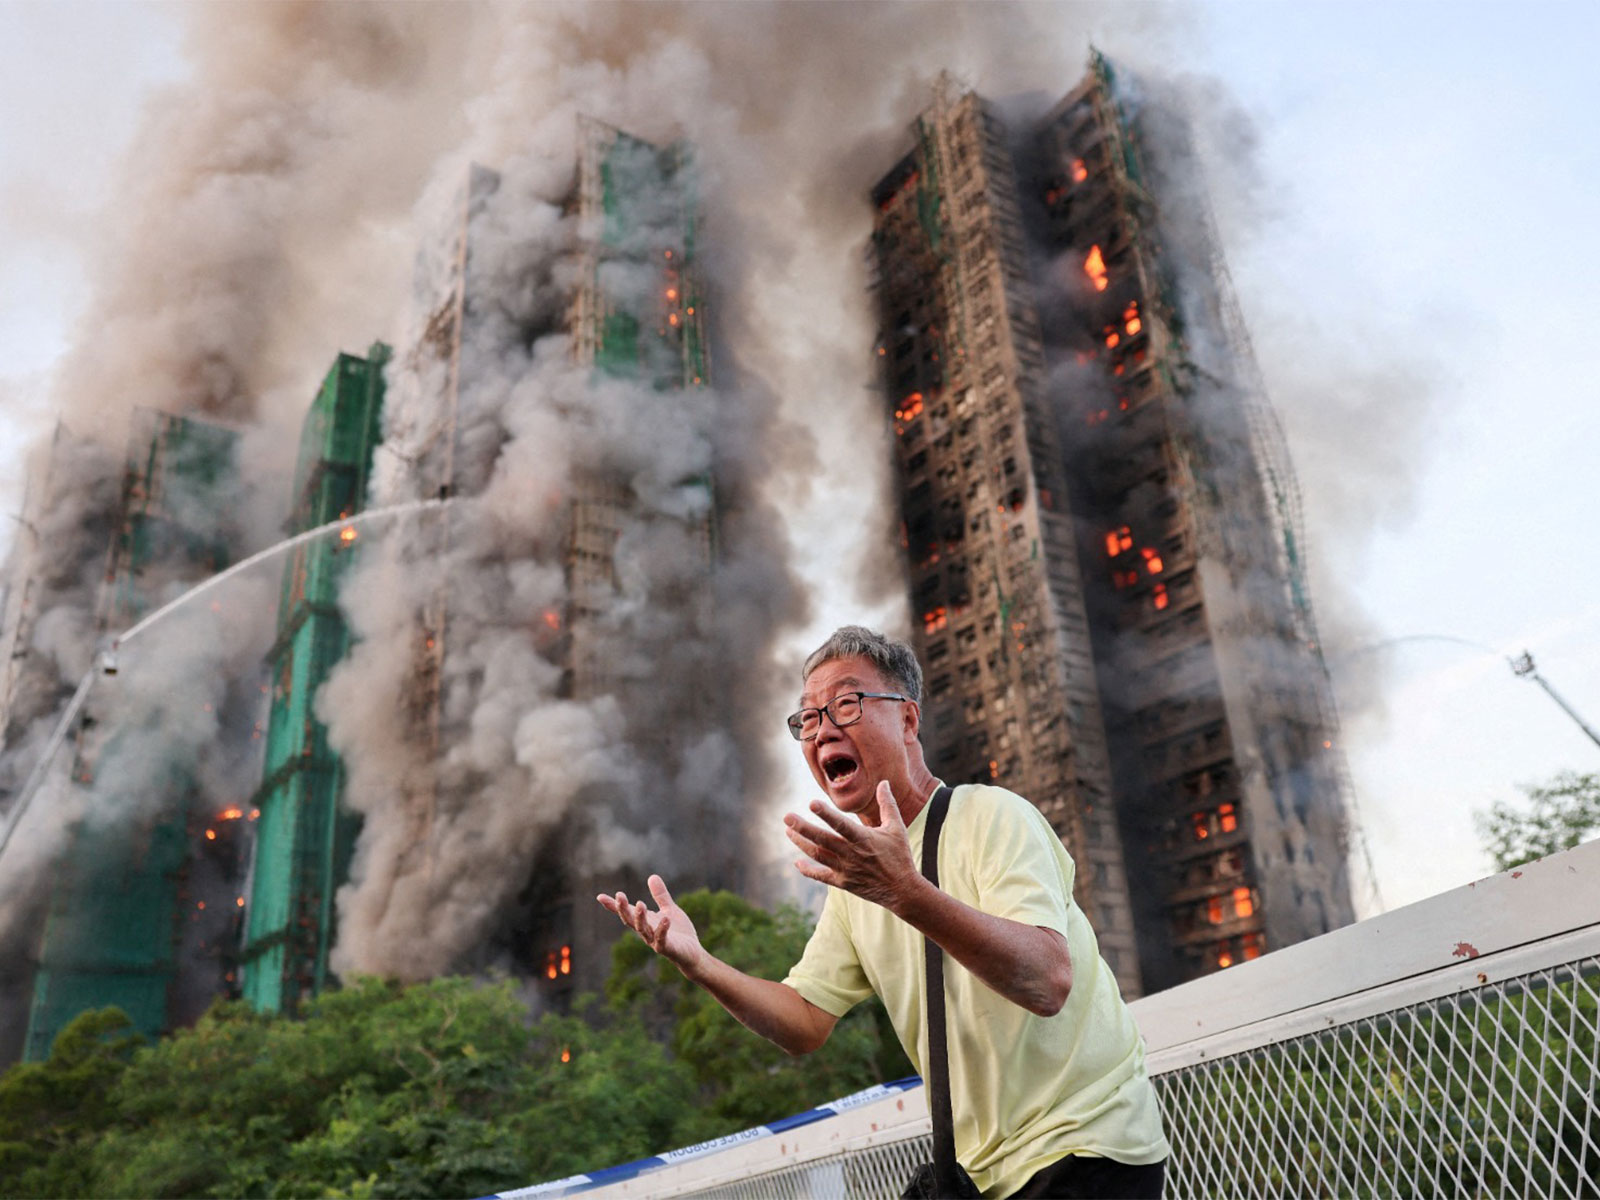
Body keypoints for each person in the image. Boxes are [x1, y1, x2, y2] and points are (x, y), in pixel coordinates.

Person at [599, 625, 1169, 1198]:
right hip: (978, 1176)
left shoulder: (993, 817)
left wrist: (905, 891)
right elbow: (804, 1022)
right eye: (808, 718)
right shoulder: (855, 883)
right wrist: (699, 964)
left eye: (846, 704)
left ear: (908, 720)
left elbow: (1047, 981)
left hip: (1085, 1149)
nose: (823, 729)